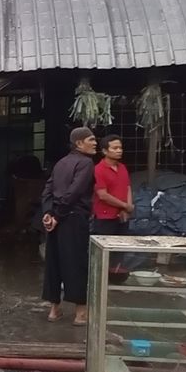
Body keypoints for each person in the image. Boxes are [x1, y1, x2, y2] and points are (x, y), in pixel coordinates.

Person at [41, 127, 97, 326]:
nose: (95, 143)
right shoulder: (86, 163)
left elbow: (47, 190)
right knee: (77, 264)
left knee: (54, 263)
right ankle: (80, 313)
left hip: (56, 220)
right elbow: (75, 192)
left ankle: (54, 310)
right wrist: (56, 214)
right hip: (73, 218)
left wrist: (48, 213)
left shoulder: (60, 163)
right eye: (91, 140)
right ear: (79, 143)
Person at [93, 134, 133, 235]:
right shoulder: (98, 170)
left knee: (122, 247)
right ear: (105, 151)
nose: (119, 150)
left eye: (120, 148)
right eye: (115, 148)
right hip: (105, 217)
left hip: (122, 216)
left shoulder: (123, 167)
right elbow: (103, 195)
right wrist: (125, 205)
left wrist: (128, 208)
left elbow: (127, 187)